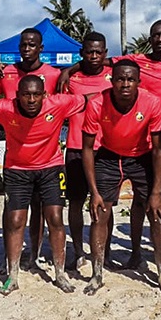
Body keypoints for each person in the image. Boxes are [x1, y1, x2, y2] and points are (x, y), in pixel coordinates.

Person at [58, 20, 161, 268]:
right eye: (156, 34)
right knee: (94, 204)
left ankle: (156, 255)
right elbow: (96, 65)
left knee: (158, 200)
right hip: (108, 144)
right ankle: (91, 254)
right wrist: (68, 70)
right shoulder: (131, 64)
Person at [0, 75, 85, 295]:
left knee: (55, 218)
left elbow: (87, 99)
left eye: (36, 94)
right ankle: (13, 275)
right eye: (26, 94)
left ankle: (60, 273)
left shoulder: (59, 103)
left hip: (50, 167)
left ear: (44, 95)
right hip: (17, 170)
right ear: (17, 96)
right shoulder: (4, 107)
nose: (31, 99)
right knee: (15, 220)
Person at [81, 60, 161, 295]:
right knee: (100, 213)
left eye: (130, 79)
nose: (125, 84)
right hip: (109, 157)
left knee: (156, 212)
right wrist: (94, 192)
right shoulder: (97, 103)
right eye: (120, 79)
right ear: (112, 81)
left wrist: (156, 192)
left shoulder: (151, 102)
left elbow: (159, 149)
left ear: (139, 83)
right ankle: (97, 273)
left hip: (142, 157)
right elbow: (88, 149)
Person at [0, 28, 62, 269]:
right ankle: (9, 258)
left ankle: (34, 253)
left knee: (42, 211)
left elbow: (63, 102)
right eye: (23, 45)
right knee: (12, 212)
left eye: (32, 45)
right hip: (16, 151)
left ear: (40, 48)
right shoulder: (7, 71)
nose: (27, 49)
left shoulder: (53, 74)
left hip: (45, 151)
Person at [62, 32, 113, 270]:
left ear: (105, 54)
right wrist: (69, 71)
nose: (93, 56)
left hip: (105, 148)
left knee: (106, 204)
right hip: (75, 147)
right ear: (81, 54)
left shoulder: (115, 77)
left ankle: (106, 249)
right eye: (89, 52)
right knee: (75, 202)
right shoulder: (69, 80)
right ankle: (78, 250)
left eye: (98, 52)